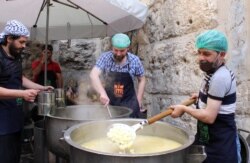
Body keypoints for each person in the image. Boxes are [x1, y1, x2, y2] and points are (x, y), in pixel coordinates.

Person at [170, 30, 240, 163]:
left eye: (207, 54)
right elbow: (218, 97)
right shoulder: (213, 72)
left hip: (220, 146)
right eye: (199, 52)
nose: (201, 58)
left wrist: (184, 109)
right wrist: (202, 96)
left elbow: (209, 117)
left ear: (222, 54)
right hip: (208, 139)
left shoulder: (220, 77)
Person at [0, 20, 53, 163]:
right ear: (9, 39)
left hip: (15, 116)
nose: (24, 46)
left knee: (14, 157)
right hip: (2, 123)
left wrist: (39, 87)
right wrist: (22, 94)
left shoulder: (15, 54)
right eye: (21, 42)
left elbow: (20, 78)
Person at [89, 33, 146, 118]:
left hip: (129, 103)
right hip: (110, 104)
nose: (118, 54)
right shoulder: (105, 58)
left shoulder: (135, 60)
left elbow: (142, 79)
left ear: (127, 49)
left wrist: (139, 99)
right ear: (112, 47)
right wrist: (102, 93)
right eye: (115, 50)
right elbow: (93, 75)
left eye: (122, 51)